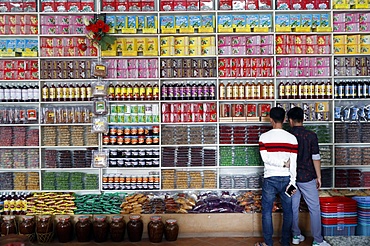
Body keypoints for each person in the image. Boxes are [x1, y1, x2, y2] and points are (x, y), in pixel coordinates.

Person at [287, 107, 331, 246]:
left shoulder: (287, 135)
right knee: (314, 208)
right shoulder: (311, 135)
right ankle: (318, 240)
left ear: (290, 121)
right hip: (307, 177)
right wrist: (319, 177)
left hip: (290, 179)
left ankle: (295, 235)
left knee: (293, 207)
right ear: (303, 119)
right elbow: (316, 157)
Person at [255, 107, 298, 246]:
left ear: (270, 119)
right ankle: (285, 242)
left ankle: (268, 243)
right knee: (288, 211)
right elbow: (293, 164)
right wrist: (293, 182)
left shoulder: (264, 137)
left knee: (267, 212)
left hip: (270, 179)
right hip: (287, 179)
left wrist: (280, 164)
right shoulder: (292, 138)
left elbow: (265, 159)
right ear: (285, 119)